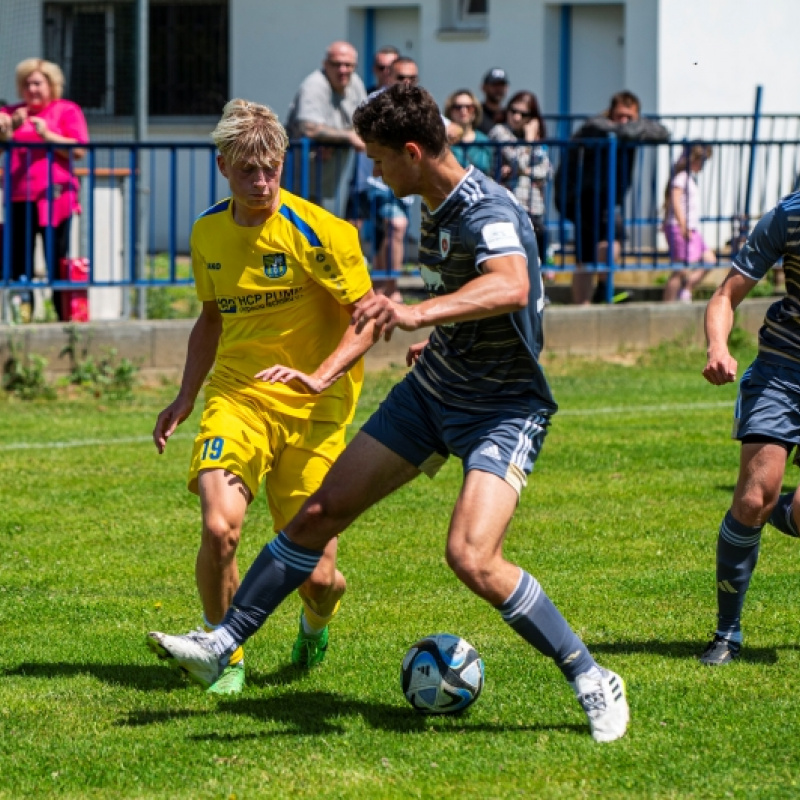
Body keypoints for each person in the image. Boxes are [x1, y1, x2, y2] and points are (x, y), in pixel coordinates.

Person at [147, 83, 630, 743]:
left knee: (471, 555)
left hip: (502, 407)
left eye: (377, 159)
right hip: (434, 391)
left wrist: (415, 314)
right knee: (320, 514)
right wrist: (440, 335)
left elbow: (511, 283)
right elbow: (479, 298)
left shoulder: (486, 207)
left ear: (410, 151)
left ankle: (590, 674)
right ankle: (223, 640)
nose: (371, 171)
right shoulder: (438, 203)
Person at [150, 98, 376, 694]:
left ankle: (315, 623)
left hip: (314, 411)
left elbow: (368, 318)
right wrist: (184, 396)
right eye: (247, 169)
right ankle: (224, 653)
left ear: (283, 162)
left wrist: (321, 374)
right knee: (220, 528)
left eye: (270, 168)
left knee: (320, 577)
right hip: (239, 398)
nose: (260, 181)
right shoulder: (207, 231)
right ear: (223, 164)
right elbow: (211, 319)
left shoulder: (320, 231)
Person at [699, 189, 800, 666]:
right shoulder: (788, 214)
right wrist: (717, 346)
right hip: (783, 368)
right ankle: (727, 633)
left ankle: (784, 513)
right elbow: (726, 295)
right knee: (753, 496)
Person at [554, 90, 669, 305]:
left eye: (629, 117)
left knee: (587, 255)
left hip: (604, 198)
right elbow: (606, 130)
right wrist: (631, 128)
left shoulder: (632, 128)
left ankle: (594, 298)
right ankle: (598, 294)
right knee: (608, 240)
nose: (624, 122)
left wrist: (635, 127)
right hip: (582, 195)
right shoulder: (596, 126)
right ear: (610, 113)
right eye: (619, 116)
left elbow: (663, 133)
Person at [0, 58, 88, 321]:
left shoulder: (66, 110)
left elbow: (80, 150)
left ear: (51, 85)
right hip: (19, 196)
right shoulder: (13, 113)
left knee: (56, 259)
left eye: (37, 83)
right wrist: (8, 131)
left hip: (55, 198)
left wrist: (48, 135)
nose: (32, 89)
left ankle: (64, 318)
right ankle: (22, 316)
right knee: (19, 260)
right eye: (27, 84)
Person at [284, 41, 367, 213]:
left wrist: (332, 139)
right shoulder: (314, 85)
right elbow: (309, 127)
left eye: (348, 65)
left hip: (324, 175)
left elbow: (366, 123)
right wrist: (347, 137)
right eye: (336, 64)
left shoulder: (356, 84)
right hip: (296, 174)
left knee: (316, 221)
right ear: (325, 64)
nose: (342, 70)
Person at [489, 91, 552, 261]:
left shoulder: (536, 141)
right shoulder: (500, 131)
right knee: (515, 257)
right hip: (509, 203)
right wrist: (530, 140)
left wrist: (525, 170)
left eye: (523, 114)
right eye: (513, 111)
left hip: (534, 205)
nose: (516, 117)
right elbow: (521, 162)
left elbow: (546, 172)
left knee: (536, 260)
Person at [662, 143, 716, 302]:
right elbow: (675, 201)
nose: (703, 165)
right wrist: (682, 225)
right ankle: (667, 304)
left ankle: (686, 289)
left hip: (691, 228)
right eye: (702, 161)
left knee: (709, 260)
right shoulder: (681, 178)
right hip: (682, 227)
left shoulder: (689, 178)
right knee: (680, 269)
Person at [444, 89, 494, 176]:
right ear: (450, 111)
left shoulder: (485, 140)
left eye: (469, 107)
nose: (463, 110)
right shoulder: (443, 140)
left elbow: (491, 169)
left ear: (475, 111)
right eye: (457, 107)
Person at [476, 68, 509, 135]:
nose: (498, 89)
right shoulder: (475, 113)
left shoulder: (510, 115)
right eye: (494, 85)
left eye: (502, 85)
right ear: (483, 87)